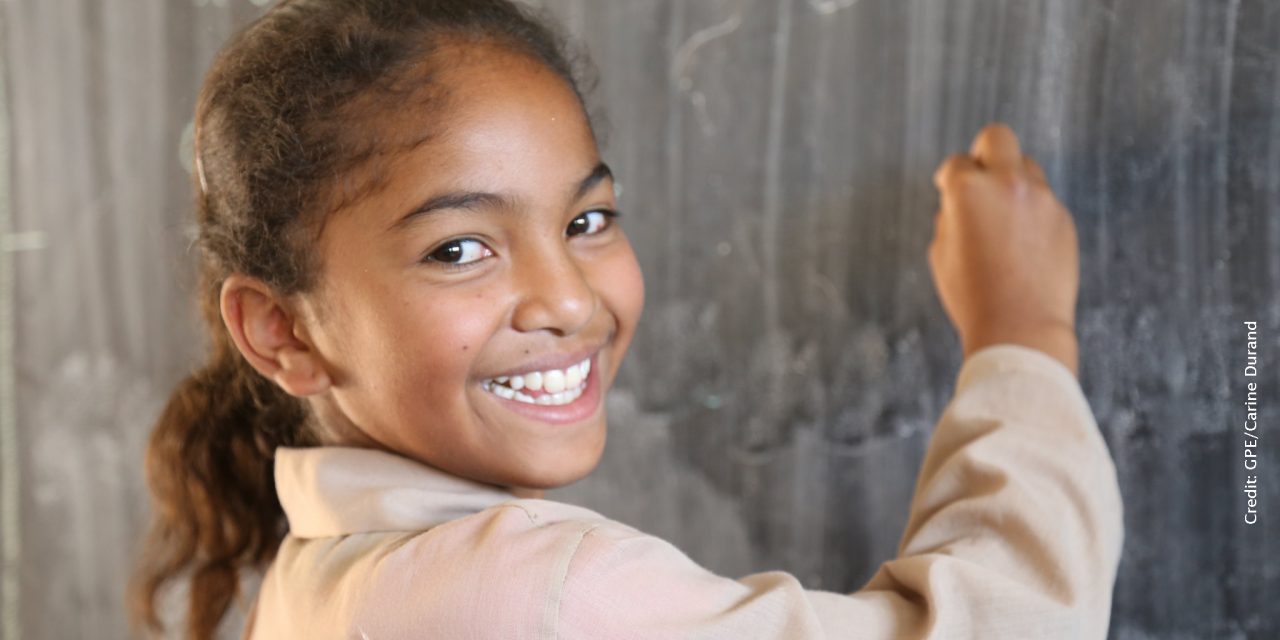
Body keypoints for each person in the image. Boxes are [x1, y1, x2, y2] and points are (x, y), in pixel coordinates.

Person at [128, 0, 1124, 638]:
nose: (568, 299)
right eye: (459, 248)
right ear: (282, 333)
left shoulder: (319, 586)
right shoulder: (527, 594)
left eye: (586, 219)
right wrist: (1022, 329)